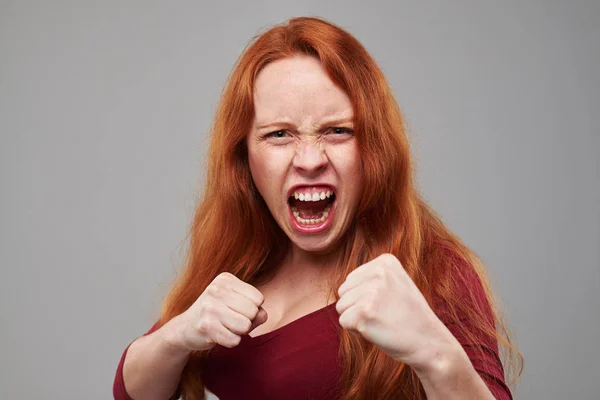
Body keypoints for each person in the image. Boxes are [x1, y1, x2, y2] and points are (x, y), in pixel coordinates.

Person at [113, 16, 522, 400]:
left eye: (338, 131)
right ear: (245, 157)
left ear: (373, 148)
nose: (310, 160)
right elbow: (131, 391)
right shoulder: (242, 260)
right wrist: (180, 333)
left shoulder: (432, 269)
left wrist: (435, 354)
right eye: (279, 134)